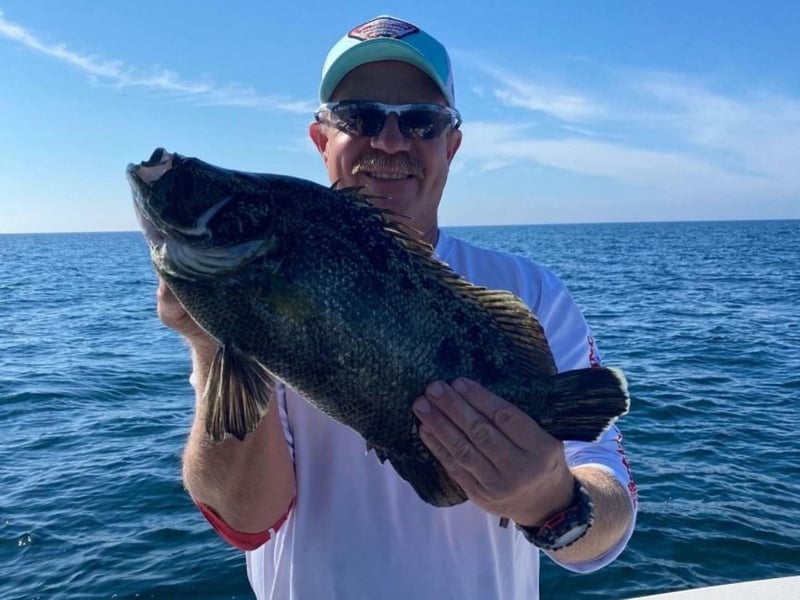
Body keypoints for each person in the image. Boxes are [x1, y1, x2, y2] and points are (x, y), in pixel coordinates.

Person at [158, 15, 637, 600]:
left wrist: (549, 503)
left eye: (420, 122)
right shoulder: (254, 288)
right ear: (321, 139)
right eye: (358, 117)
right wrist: (213, 343)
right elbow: (248, 520)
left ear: (451, 146)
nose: (389, 140)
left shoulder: (530, 292)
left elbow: (610, 515)